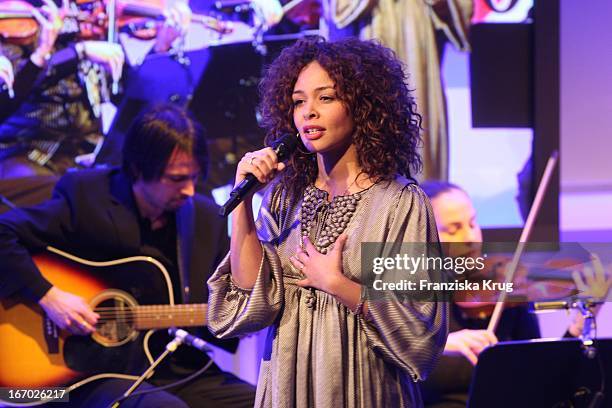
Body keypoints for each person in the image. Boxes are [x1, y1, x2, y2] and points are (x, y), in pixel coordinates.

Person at [207, 37, 447, 407]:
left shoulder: (398, 203)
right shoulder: (285, 196)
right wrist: (244, 200)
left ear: (363, 107)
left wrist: (338, 284)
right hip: (289, 383)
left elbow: (420, 329)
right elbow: (253, 298)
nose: (308, 112)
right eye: (299, 101)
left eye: (326, 98)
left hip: (364, 386)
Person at [0, 104, 255, 407]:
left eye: (194, 177)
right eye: (175, 179)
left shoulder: (203, 217)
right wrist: (49, 296)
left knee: (266, 400)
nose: (188, 190)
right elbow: (4, 234)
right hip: (87, 374)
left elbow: (231, 296)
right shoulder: (87, 196)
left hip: (168, 365)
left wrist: (256, 311)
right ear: (138, 169)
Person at [419, 180, 611, 408]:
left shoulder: (506, 291)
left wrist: (579, 325)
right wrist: (439, 344)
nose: (470, 236)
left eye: (472, 223)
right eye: (453, 229)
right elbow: (395, 367)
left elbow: (543, 379)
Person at [0, 0, 125, 178]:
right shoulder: (16, 17)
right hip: (27, 149)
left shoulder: (89, 16)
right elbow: (10, 93)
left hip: (85, 148)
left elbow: (123, 91)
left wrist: (161, 46)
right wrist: (69, 52)